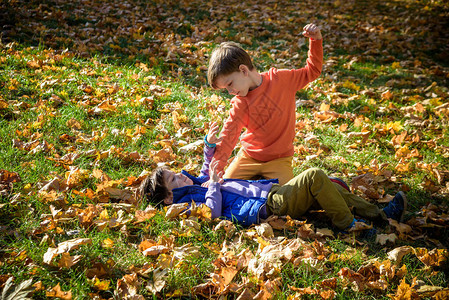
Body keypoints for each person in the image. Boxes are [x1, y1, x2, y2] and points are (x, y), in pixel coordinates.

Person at [140, 124, 407, 234]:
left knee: (325, 182)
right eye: (173, 179)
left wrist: (209, 146)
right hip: (268, 206)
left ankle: (381, 216)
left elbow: (205, 170)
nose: (179, 176)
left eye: (174, 173)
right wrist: (212, 185)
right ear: (168, 197)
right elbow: (210, 213)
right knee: (314, 176)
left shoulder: (194, 185)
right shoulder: (187, 205)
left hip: (271, 192)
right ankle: (347, 223)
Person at [207, 23, 323, 185]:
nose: (230, 91)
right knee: (226, 188)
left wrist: (315, 40)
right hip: (249, 157)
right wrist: (216, 170)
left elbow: (313, 71)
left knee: (286, 197)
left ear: (243, 70)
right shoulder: (240, 103)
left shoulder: (282, 80)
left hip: (280, 159)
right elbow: (228, 136)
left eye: (230, 84)